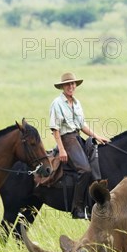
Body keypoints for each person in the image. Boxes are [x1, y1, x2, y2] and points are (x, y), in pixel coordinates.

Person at [49, 72, 109, 219]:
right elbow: (55, 128)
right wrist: (62, 149)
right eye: (68, 84)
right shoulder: (57, 103)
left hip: (77, 137)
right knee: (85, 170)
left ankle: (92, 203)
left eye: (73, 84)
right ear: (63, 87)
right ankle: (77, 208)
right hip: (67, 139)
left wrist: (96, 136)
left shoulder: (76, 103)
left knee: (96, 161)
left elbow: (82, 125)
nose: (71, 86)